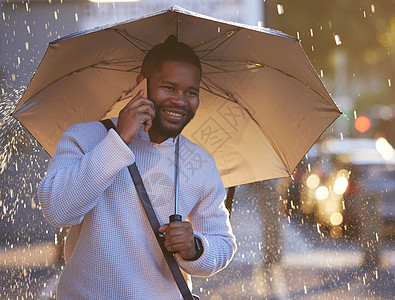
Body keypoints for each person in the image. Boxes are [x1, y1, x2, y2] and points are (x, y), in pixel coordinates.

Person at [38, 35, 236, 299]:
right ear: (141, 85)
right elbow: (58, 210)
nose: (180, 100)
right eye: (169, 87)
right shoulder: (85, 138)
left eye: (191, 92)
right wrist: (119, 140)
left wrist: (196, 248)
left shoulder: (201, 163)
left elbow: (223, 243)